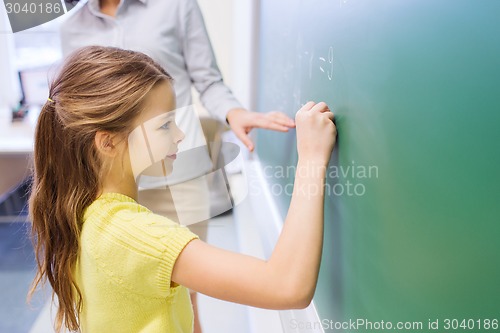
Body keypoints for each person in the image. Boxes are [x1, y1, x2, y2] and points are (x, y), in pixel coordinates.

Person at [28, 46, 336, 332]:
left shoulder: (86, 212)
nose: (179, 135)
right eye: (165, 125)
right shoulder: (138, 235)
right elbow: (286, 287)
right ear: (107, 142)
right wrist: (310, 160)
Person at [60, 2, 295, 329]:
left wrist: (233, 113)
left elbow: (208, 79)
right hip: (107, 177)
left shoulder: (176, 6)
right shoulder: (69, 27)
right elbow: (72, 104)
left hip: (177, 173)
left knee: (185, 289)